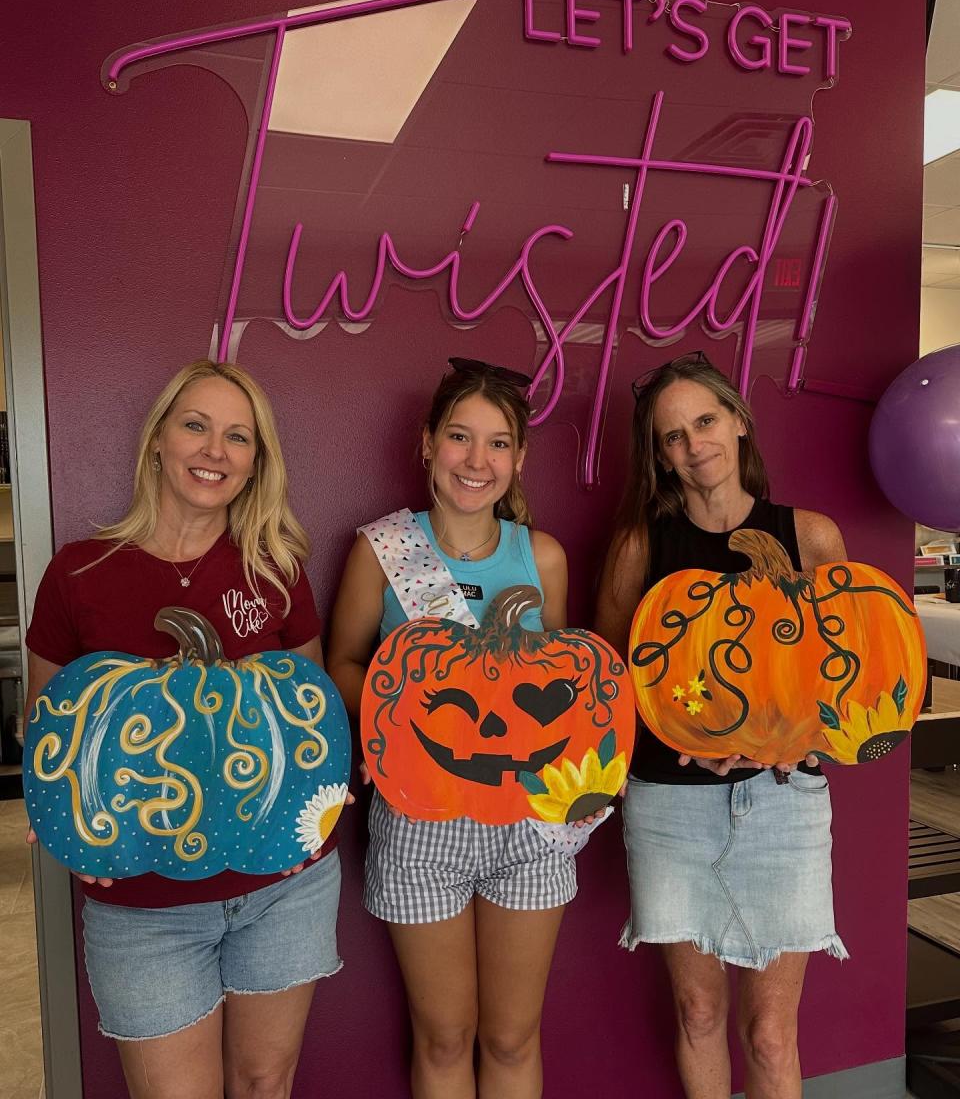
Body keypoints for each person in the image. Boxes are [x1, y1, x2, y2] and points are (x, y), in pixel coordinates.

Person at [25, 360, 343, 1099]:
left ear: (255, 462)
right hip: (142, 904)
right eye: (196, 425)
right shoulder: (79, 574)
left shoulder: (276, 571)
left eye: (239, 437)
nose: (215, 451)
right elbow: (50, 737)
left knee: (266, 1083)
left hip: (283, 889)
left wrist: (319, 805)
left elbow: (311, 723)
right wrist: (68, 831)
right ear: (159, 440)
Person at [594, 352, 848, 1099]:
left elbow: (853, 684)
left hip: (784, 804)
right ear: (660, 457)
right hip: (670, 805)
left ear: (738, 422)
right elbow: (606, 686)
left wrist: (788, 738)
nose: (693, 444)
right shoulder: (642, 546)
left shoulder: (811, 538)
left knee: (771, 1033)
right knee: (698, 1009)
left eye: (704, 421)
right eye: (672, 436)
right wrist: (682, 735)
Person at [327, 357, 570, 1099]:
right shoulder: (380, 549)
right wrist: (399, 722)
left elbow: (564, 688)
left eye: (499, 443)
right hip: (419, 818)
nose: (478, 459)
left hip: (526, 823)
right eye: (461, 437)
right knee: (444, 1035)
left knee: (510, 1036)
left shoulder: (544, 557)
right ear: (428, 443)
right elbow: (342, 662)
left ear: (519, 458)